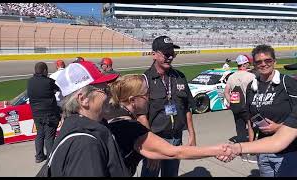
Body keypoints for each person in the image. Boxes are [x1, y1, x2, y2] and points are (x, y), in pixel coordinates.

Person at [107, 74, 233, 176]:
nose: (149, 97)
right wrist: (217, 150)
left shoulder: (112, 115)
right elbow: (176, 152)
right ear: (132, 100)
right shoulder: (131, 127)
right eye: (146, 94)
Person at [218, 44, 297, 177]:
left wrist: (279, 127)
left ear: (274, 62)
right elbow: (250, 118)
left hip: (288, 152)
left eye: (268, 60)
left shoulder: (287, 82)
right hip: (263, 152)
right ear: (254, 64)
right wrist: (251, 144)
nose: (263, 64)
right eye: (259, 62)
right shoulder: (252, 86)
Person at [47, 61, 130, 177]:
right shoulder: (85, 145)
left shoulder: (78, 124)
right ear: (83, 99)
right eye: (105, 90)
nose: (110, 95)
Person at [138, 36, 197, 177]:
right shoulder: (145, 80)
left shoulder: (180, 77)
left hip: (176, 139)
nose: (170, 57)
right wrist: (150, 145)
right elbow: (141, 116)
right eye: (166, 53)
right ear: (154, 54)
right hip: (156, 140)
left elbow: (187, 107)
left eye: (172, 53)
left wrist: (192, 135)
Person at [224, 54, 256, 162]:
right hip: (247, 106)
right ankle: (251, 151)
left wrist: (231, 102)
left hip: (236, 106)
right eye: (247, 63)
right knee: (250, 127)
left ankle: (241, 151)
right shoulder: (250, 76)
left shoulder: (232, 76)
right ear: (245, 64)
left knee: (240, 128)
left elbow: (226, 92)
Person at [27, 62, 61, 163]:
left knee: (40, 134)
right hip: (49, 114)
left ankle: (39, 156)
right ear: (45, 71)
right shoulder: (49, 82)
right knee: (49, 137)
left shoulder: (30, 81)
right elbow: (57, 89)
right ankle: (51, 158)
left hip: (36, 114)